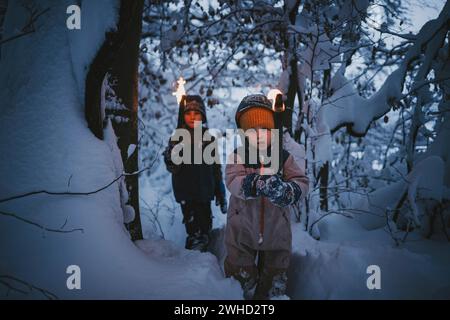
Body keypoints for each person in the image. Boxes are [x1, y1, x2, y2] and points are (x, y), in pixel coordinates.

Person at [224, 94, 309, 299]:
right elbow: (232, 179)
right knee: (239, 271)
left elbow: (301, 181)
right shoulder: (239, 156)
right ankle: (242, 289)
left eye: (265, 129)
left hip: (276, 231)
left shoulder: (283, 157)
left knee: (275, 272)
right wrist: (250, 184)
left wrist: (288, 191)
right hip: (242, 228)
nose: (259, 134)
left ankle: (271, 291)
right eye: (252, 131)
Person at [163, 95, 227, 252]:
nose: (192, 117)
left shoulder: (208, 138)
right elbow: (172, 166)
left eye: (196, 113)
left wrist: (220, 191)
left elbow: (215, 167)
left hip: (205, 188)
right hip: (186, 190)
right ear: (183, 116)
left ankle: (205, 243)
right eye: (188, 113)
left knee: (205, 220)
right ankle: (194, 246)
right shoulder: (177, 138)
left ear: (203, 116)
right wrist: (172, 153)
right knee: (192, 222)